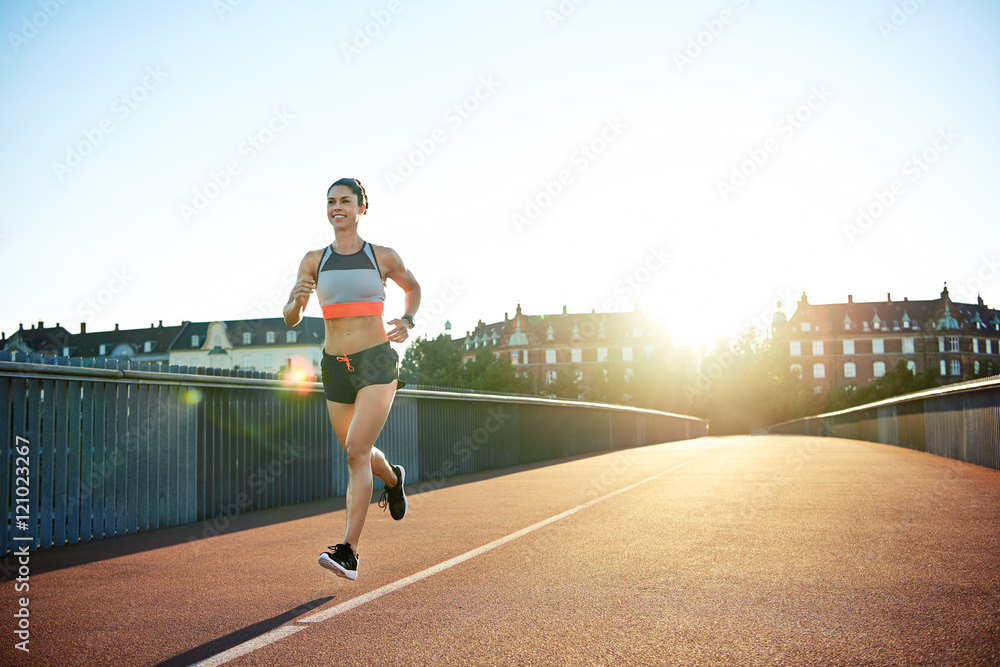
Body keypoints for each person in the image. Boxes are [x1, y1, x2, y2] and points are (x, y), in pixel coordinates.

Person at [283, 177, 420, 581]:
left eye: (345, 201)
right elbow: (291, 317)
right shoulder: (313, 260)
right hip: (334, 365)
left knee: (355, 449)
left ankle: (349, 552)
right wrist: (295, 301)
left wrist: (408, 319)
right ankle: (392, 479)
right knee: (357, 450)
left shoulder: (381, 256)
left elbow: (413, 287)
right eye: (330, 202)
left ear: (362, 208)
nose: (336, 207)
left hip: (376, 362)